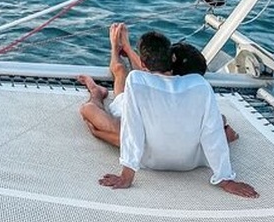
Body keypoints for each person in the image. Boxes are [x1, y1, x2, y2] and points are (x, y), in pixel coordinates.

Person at [94, 29, 258, 198]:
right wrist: (225, 179)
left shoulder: (136, 81)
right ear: (172, 58)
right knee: (216, 122)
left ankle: (96, 90)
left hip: (150, 160)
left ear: (143, 63)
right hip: (191, 162)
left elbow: (132, 128)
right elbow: (212, 132)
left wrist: (127, 176)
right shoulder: (200, 85)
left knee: (100, 120)